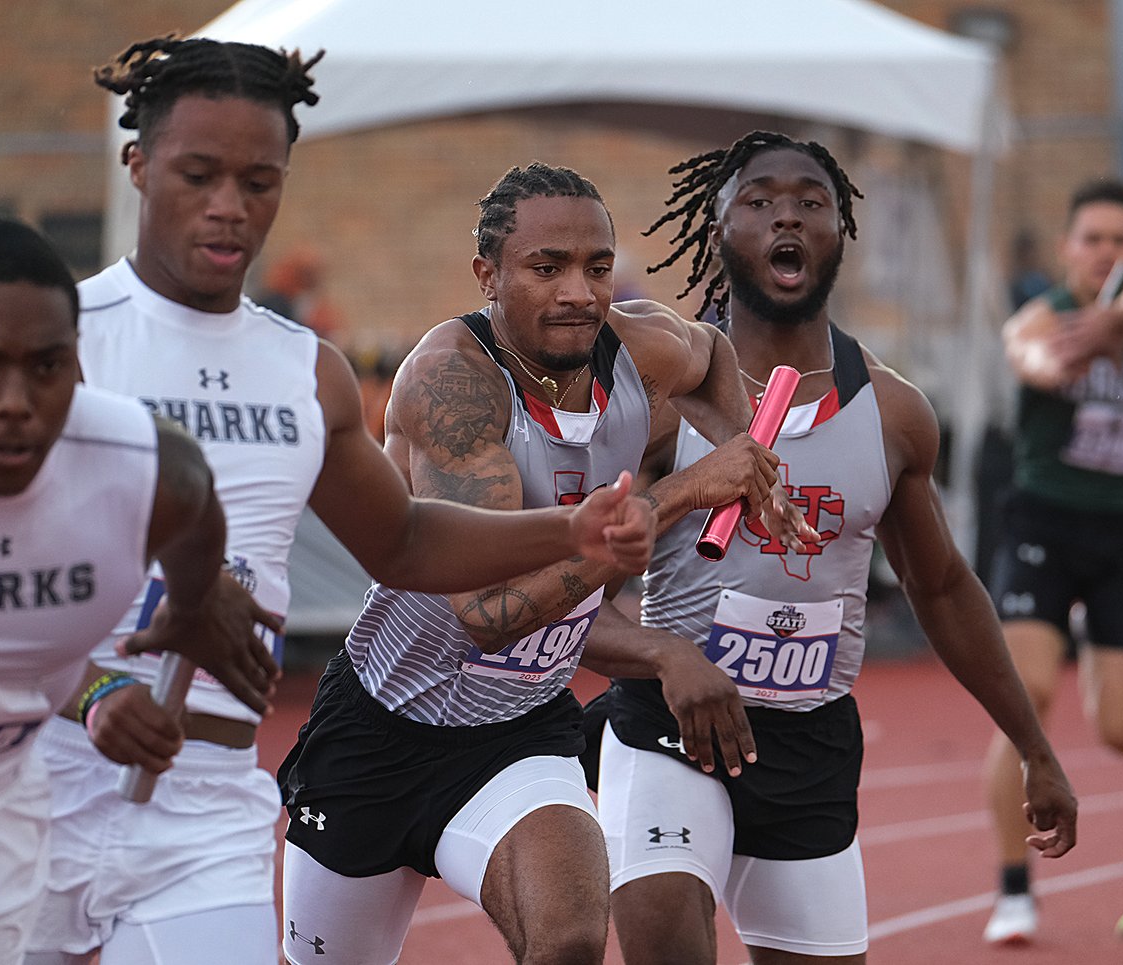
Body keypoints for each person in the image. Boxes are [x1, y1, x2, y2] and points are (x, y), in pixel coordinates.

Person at [23, 39, 656, 965]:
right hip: (37, 785)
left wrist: (569, 527)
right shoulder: (59, 347)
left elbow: (401, 542)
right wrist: (96, 689)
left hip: (203, 813)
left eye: (259, 181)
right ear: (137, 164)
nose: (230, 206)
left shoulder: (304, 371)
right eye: (199, 174)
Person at [276, 160, 805, 965]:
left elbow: (716, 357)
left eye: (597, 268)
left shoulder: (641, 348)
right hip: (381, 729)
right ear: (487, 275)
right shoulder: (452, 385)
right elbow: (491, 616)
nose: (578, 294)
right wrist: (686, 493)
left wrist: (753, 460)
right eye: (546, 268)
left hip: (516, 732)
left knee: (567, 937)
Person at [576, 130, 1079, 965]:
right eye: (760, 200)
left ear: (841, 231)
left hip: (810, 744)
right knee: (666, 942)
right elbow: (573, 571)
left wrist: (1034, 748)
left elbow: (943, 586)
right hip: (671, 723)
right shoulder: (659, 392)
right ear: (720, 227)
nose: (789, 216)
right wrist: (665, 655)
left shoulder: (894, 412)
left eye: (813, 202)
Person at [0, 216, 281, 964]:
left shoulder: (137, 461)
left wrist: (195, 604)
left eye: (47, 365)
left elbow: (195, 510)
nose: (15, 400)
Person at [982, 177, 1123, 945]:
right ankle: (1015, 889)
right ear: (1068, 248)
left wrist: (1122, 318)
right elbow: (1032, 354)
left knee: (1119, 728)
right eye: (1094, 239)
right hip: (1044, 521)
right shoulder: (1043, 311)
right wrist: (1072, 350)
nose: (1107, 251)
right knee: (1026, 697)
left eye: (1122, 239)